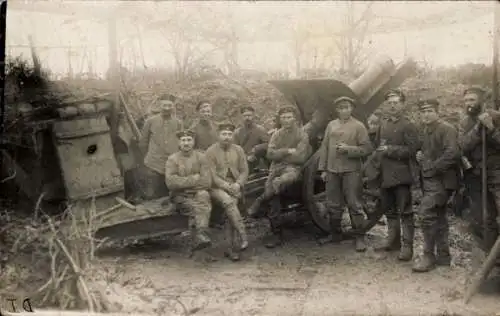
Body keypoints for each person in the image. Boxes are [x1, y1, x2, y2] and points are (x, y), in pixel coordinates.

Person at [247, 105, 311, 248]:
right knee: (274, 199)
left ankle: (259, 200)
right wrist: (287, 150)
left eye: (289, 117)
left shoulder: (302, 135)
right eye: (283, 117)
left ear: (294, 118)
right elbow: (270, 155)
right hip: (275, 168)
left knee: (284, 180)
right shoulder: (276, 134)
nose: (286, 120)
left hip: (292, 168)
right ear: (280, 119)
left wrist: (279, 155)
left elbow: (300, 158)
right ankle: (276, 234)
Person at [318, 96, 373, 252]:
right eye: (341, 108)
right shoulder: (331, 125)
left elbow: (367, 149)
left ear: (352, 109)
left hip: (351, 171)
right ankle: (335, 235)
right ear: (337, 110)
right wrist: (323, 169)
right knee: (333, 203)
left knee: (354, 203)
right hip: (332, 170)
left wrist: (349, 149)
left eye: (347, 107)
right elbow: (324, 148)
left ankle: (359, 237)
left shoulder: (358, 126)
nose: (344, 110)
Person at [412, 99, 460, 272]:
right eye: (423, 111)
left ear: (437, 111)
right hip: (429, 180)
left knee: (425, 213)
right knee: (438, 217)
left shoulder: (447, 129)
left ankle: (428, 255)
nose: (425, 114)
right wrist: (420, 156)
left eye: (429, 110)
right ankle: (443, 257)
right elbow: (426, 152)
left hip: (443, 180)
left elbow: (452, 153)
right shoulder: (425, 130)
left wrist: (432, 167)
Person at [376, 89, 420, 261]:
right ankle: (393, 242)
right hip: (385, 174)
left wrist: (390, 150)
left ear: (402, 104)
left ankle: (408, 247)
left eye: (395, 102)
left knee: (406, 211)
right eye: (389, 103)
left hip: (401, 175)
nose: (392, 106)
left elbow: (412, 150)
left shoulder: (408, 125)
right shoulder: (383, 124)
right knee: (389, 210)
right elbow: (378, 146)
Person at [459, 86, 500, 251]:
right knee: (482, 218)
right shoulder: (465, 121)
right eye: (466, 101)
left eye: (472, 100)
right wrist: (477, 128)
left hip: (496, 174)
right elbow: (462, 145)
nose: (468, 104)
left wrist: (492, 128)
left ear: (481, 101)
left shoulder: (496, 116)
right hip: (475, 175)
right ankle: (490, 256)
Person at [206, 122, 249, 260]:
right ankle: (243, 234)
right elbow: (211, 175)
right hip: (216, 187)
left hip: (234, 186)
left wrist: (238, 184)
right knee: (229, 202)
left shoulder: (238, 150)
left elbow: (244, 170)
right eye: (224, 134)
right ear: (218, 135)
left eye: (230, 134)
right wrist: (226, 186)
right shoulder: (211, 151)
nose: (227, 137)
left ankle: (231, 249)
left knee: (232, 209)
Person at [164, 130, 213, 251]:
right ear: (179, 143)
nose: (186, 143)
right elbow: (171, 183)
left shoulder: (202, 157)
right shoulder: (172, 159)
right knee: (196, 207)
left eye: (189, 140)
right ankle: (199, 236)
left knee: (204, 195)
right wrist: (193, 179)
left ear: (194, 142)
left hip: (197, 193)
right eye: (183, 140)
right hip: (180, 196)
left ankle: (200, 236)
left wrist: (183, 182)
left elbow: (207, 182)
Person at [139, 94, 182, 200]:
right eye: (164, 105)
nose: (167, 108)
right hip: (153, 165)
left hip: (171, 165)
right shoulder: (150, 121)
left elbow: (181, 142)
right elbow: (143, 142)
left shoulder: (178, 123)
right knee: (152, 195)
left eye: (170, 106)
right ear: (159, 106)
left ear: (173, 107)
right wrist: (148, 156)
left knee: (171, 196)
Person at [233, 106, 270, 171]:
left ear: (253, 116)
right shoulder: (237, 132)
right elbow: (234, 149)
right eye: (245, 116)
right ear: (241, 117)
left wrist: (256, 149)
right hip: (243, 160)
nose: (247, 118)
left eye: (249, 115)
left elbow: (268, 144)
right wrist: (245, 157)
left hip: (258, 160)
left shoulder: (260, 130)